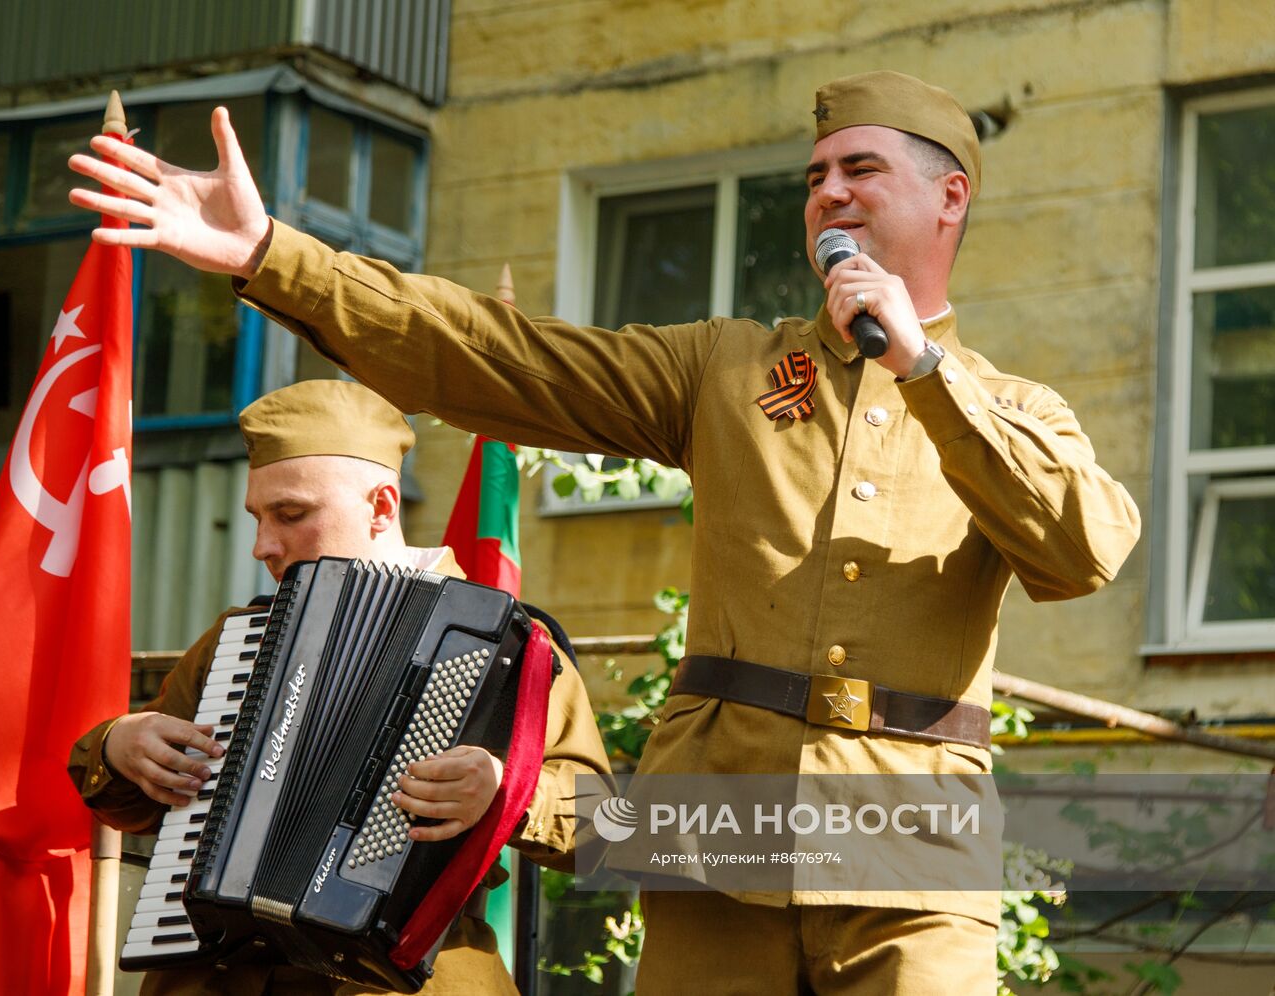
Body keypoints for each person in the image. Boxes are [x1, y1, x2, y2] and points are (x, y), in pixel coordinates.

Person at [69, 70, 1141, 994]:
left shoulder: (1016, 412)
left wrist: (924, 372)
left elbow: (1081, 550)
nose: (827, 192)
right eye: (813, 176)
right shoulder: (723, 368)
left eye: (858, 168)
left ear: (948, 197)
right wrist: (269, 253)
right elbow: (497, 355)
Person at [68, 379, 612, 996]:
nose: (263, 546)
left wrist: (509, 793)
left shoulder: (515, 646)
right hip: (215, 977)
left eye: (292, 515)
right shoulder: (239, 639)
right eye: (258, 517)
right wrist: (117, 746)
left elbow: (606, 832)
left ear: (382, 506)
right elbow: (131, 804)